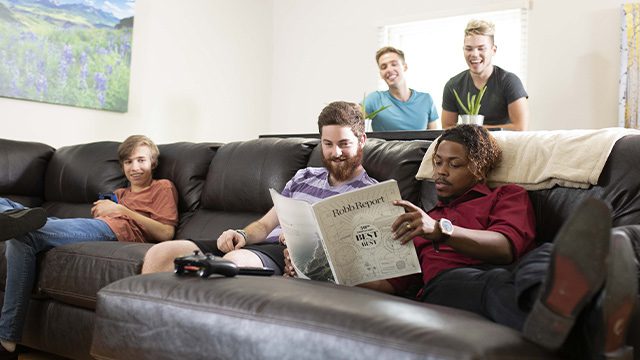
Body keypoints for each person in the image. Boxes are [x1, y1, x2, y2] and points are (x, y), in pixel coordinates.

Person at [347, 125, 634, 358]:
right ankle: (595, 323)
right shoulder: (421, 218)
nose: (441, 172)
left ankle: (571, 311)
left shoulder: (507, 196)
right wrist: (340, 269)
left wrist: (441, 230)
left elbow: (505, 247)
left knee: (547, 253)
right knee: (491, 283)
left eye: (454, 164)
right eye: (437, 163)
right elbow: (395, 281)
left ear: (480, 170)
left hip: (514, 271)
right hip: (449, 285)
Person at [141, 101, 378, 275]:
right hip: (256, 245)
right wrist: (241, 234)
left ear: (362, 141)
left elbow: (358, 255)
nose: (335, 153)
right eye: (328, 144)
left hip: (283, 254)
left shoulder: (370, 195)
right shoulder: (304, 177)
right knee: (160, 254)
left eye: (344, 144)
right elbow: (265, 225)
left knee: (233, 262)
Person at [0, 135, 178, 359]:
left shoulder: (162, 187)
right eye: (129, 162)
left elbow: (166, 232)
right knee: (16, 226)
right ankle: (13, 215)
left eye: (141, 160)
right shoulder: (120, 194)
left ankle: (6, 338)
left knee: (23, 231)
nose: (135, 167)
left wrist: (121, 211)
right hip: (97, 225)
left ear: (153, 162)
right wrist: (108, 207)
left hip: (114, 231)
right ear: (122, 166)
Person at [441, 20, 529, 131]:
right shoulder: (452, 85)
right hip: (468, 146)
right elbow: (446, 128)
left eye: (481, 48)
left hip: (504, 145)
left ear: (493, 50)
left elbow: (520, 127)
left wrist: (476, 130)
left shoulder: (510, 81)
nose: (474, 54)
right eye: (469, 49)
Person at [364, 46, 439, 131]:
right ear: (381, 74)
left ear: (405, 67)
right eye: (384, 67)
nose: (389, 69)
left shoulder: (426, 99)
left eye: (394, 64)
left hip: (421, 145)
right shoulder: (375, 99)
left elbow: (434, 138)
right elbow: (350, 117)